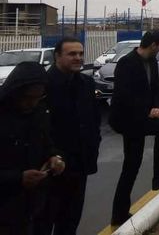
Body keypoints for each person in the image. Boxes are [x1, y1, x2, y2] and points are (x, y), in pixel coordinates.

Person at [109, 31, 159, 227]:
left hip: (143, 117)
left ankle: (158, 178)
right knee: (134, 162)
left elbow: (156, 88)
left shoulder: (152, 63)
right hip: (128, 120)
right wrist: (146, 111)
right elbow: (124, 95)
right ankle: (120, 213)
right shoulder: (127, 63)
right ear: (153, 45)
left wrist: (157, 106)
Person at [41, 38, 101, 235]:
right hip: (51, 169)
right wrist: (51, 156)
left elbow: (93, 119)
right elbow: (38, 129)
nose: (78, 58)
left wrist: (94, 145)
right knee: (44, 222)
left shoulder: (86, 83)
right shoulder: (43, 87)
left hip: (79, 166)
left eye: (80, 54)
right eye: (72, 54)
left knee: (70, 221)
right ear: (57, 56)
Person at [0, 62, 65, 235]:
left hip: (32, 206)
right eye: (28, 98)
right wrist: (18, 178)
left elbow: (46, 143)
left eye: (38, 97)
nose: (33, 103)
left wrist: (54, 158)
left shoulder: (38, 112)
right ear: (16, 92)